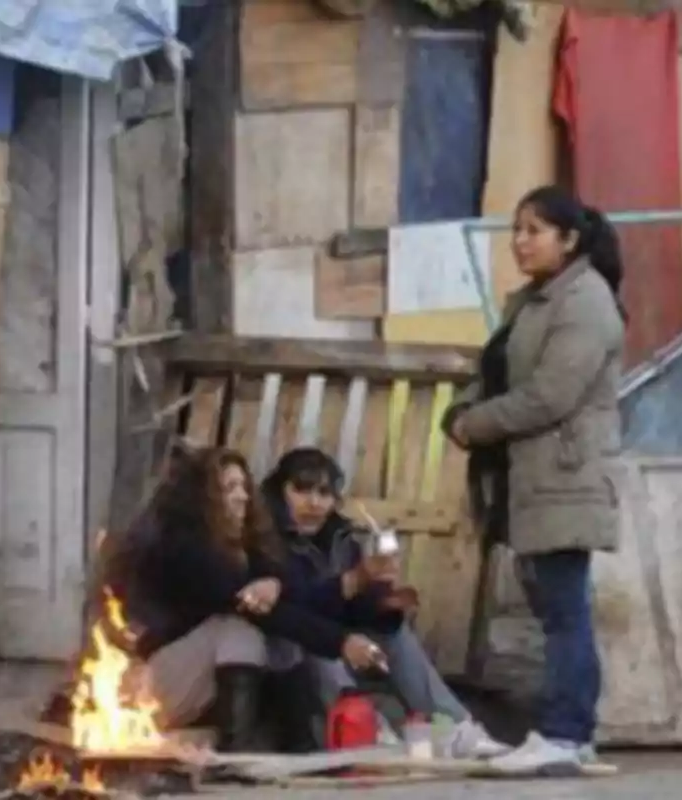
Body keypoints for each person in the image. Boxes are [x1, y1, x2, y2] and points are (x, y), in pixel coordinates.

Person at [442, 185, 625, 775]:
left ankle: (565, 732)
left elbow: (551, 394)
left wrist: (476, 425)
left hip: (563, 477)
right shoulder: (533, 301)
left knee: (564, 609)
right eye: (516, 230)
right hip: (533, 478)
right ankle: (569, 730)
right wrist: (465, 409)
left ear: (569, 241)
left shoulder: (585, 302)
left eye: (534, 231)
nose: (520, 243)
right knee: (554, 608)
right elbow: (499, 370)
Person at [94, 444, 385, 752]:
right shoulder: (184, 549)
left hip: (193, 691)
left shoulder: (247, 547)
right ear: (201, 498)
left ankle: (300, 743)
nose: (243, 496)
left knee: (280, 636)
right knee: (237, 630)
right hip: (148, 690)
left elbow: (292, 602)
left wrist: (285, 585)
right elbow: (260, 611)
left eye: (244, 486)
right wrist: (341, 642)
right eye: (229, 488)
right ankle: (236, 751)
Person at [260, 446, 508, 759]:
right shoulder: (266, 535)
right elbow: (294, 608)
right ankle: (366, 731)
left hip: (336, 636)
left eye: (324, 493)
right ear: (280, 491)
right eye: (301, 489)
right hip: (288, 646)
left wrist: (381, 605)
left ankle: (456, 729)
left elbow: (349, 607)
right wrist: (354, 581)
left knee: (393, 633)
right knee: (319, 640)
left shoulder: (339, 536)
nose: (314, 503)